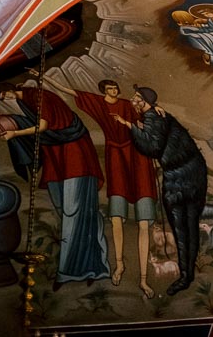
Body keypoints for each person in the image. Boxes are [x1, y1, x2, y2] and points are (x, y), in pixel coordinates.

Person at [48, 73, 158, 295]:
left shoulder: (129, 105)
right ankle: (119, 265)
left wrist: (157, 112)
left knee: (143, 222)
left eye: (115, 87)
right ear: (103, 91)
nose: (114, 90)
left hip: (138, 158)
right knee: (116, 218)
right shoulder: (98, 104)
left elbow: (151, 116)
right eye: (110, 88)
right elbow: (73, 92)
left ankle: (144, 279)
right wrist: (48, 81)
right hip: (116, 158)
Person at [0, 79, 109, 286]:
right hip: (56, 155)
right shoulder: (26, 101)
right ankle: (87, 265)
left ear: (10, 89)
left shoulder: (38, 96)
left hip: (75, 154)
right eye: (2, 99)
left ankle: (74, 270)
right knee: (61, 208)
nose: (6, 99)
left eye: (4, 95)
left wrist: (15, 133)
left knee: (75, 210)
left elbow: (44, 126)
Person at [118, 86, 208, 295]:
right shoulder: (158, 115)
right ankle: (187, 274)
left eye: (136, 98)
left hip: (181, 179)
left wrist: (131, 127)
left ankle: (186, 275)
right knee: (188, 226)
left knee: (182, 227)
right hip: (191, 173)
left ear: (144, 101)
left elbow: (152, 148)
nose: (133, 100)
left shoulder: (155, 118)